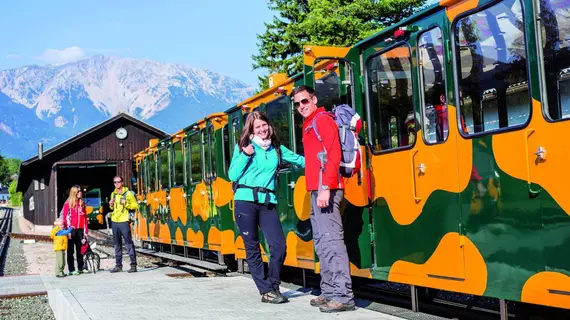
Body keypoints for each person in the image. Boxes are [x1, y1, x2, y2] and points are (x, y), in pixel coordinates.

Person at [229, 111, 305, 304]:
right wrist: (245, 155)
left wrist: (326, 161)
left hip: (267, 202)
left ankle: (273, 284)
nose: (262, 130)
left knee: (279, 246)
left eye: (264, 125)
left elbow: (300, 160)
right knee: (253, 248)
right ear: (251, 130)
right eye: (258, 127)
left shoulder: (276, 149)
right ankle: (266, 291)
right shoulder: (243, 147)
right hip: (245, 201)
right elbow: (232, 174)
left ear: (269, 126)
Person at [291, 85, 355, 313]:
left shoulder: (322, 120)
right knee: (321, 242)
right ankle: (328, 291)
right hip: (316, 190)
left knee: (331, 242)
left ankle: (343, 296)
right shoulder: (308, 124)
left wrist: (326, 186)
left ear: (314, 99)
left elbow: (334, 153)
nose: (301, 107)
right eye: (297, 104)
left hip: (327, 188)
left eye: (305, 101)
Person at [108, 176, 138, 273]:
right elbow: (112, 209)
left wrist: (126, 204)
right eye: (115, 182)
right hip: (114, 221)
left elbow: (135, 205)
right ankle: (118, 265)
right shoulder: (113, 194)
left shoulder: (128, 193)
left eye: (118, 182)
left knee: (128, 243)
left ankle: (133, 265)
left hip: (124, 221)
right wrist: (111, 204)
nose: (117, 184)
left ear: (122, 182)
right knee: (117, 244)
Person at [62, 185, 89, 275]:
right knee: (70, 251)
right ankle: (71, 269)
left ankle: (80, 268)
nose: (80, 192)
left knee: (80, 250)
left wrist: (86, 232)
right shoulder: (68, 204)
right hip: (71, 230)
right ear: (74, 193)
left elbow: (85, 219)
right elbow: (65, 218)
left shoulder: (82, 204)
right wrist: (67, 231)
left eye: (80, 191)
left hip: (80, 230)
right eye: (78, 191)